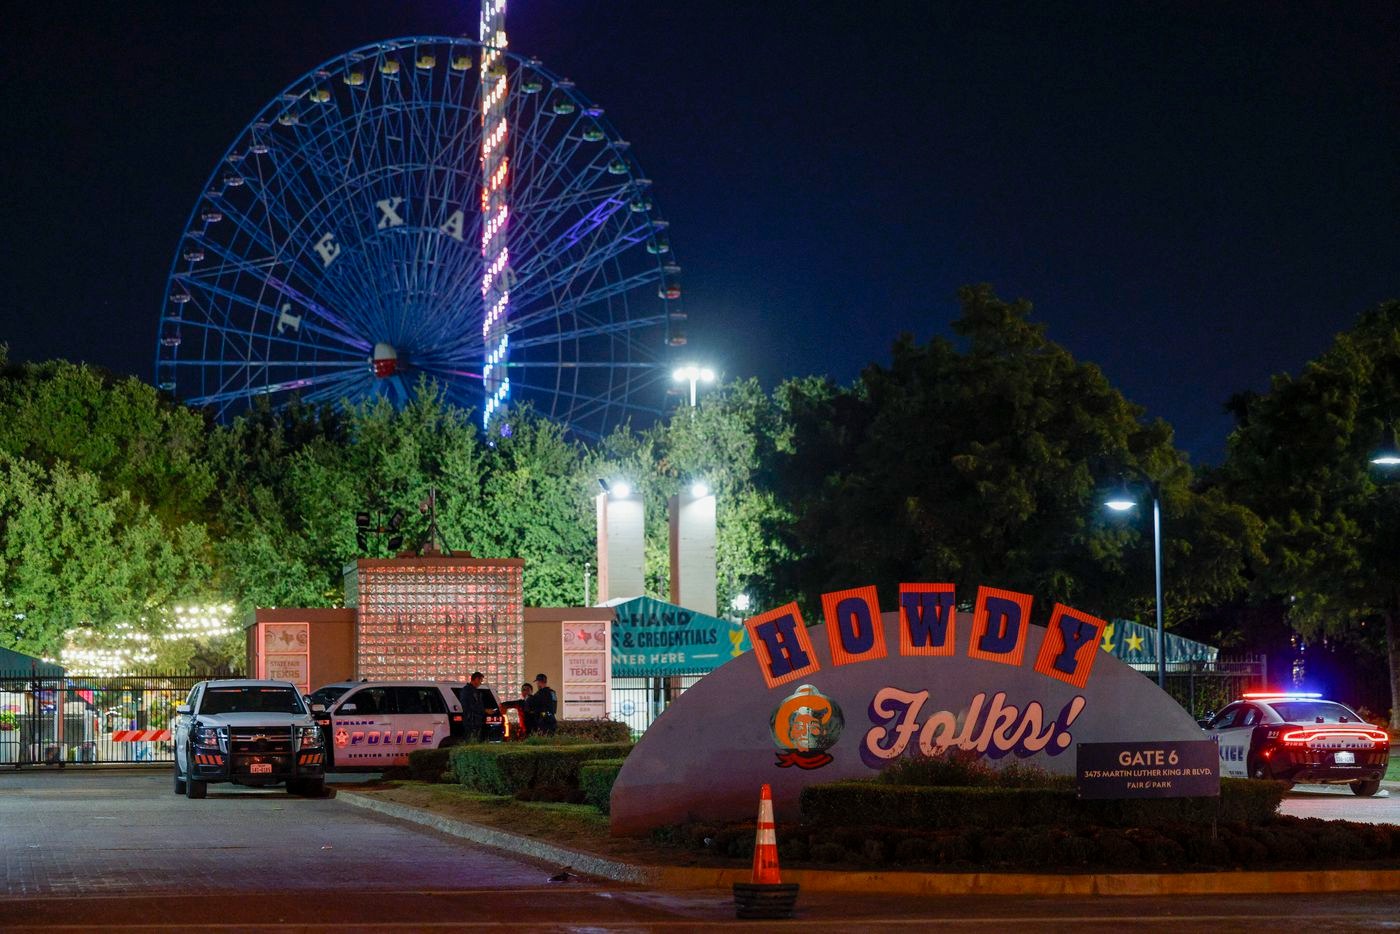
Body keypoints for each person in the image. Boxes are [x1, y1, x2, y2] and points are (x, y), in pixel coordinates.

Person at [460, 671, 486, 741]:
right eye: (480, 680)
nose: (481, 683)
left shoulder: (476, 692)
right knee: (471, 740)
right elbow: (470, 706)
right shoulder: (467, 691)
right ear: (476, 679)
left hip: (476, 721)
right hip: (470, 721)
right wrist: (484, 710)